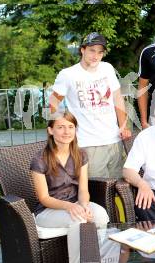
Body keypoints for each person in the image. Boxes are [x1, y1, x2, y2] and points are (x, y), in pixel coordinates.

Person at [30, 111, 109, 263]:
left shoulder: (81, 154)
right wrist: (69, 207)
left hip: (75, 204)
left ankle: (95, 258)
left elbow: (83, 190)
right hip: (47, 211)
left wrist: (84, 205)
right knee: (78, 220)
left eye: (70, 127)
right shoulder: (39, 160)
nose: (66, 132)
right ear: (50, 130)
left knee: (100, 215)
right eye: (60, 127)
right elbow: (44, 198)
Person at [49, 32, 131, 178]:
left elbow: (117, 97)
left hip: (114, 140)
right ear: (82, 49)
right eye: (92, 50)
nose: (96, 55)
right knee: (96, 190)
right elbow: (53, 102)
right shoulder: (68, 74)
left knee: (119, 188)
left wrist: (123, 125)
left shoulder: (107, 68)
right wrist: (61, 129)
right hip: (88, 143)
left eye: (100, 52)